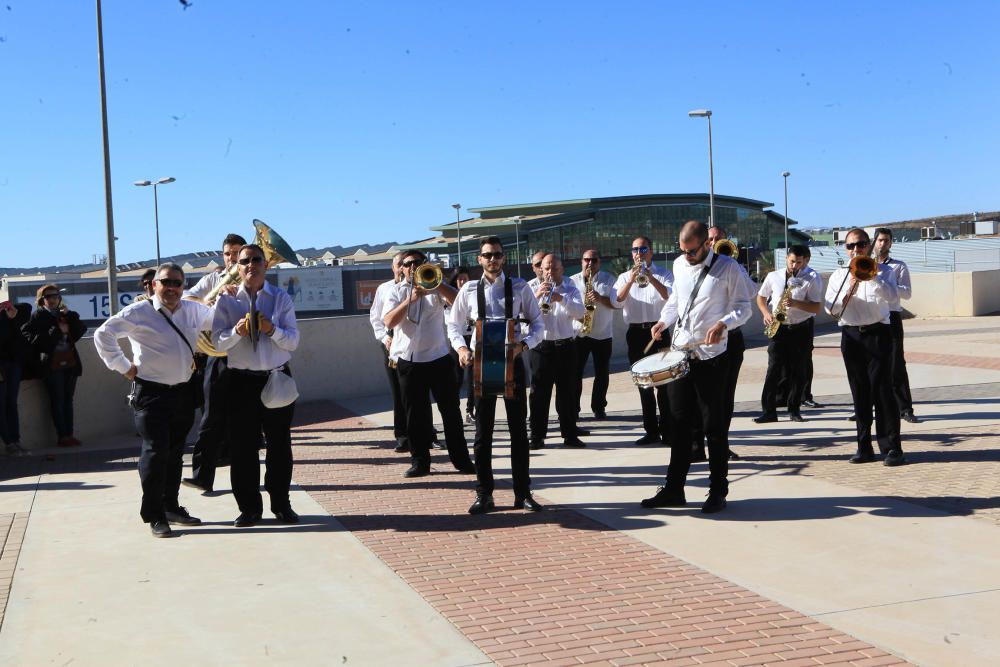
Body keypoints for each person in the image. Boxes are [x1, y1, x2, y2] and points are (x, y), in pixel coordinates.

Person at [93, 263, 214, 537]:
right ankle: (154, 514)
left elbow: (218, 320)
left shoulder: (193, 309)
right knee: (156, 452)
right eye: (166, 282)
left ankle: (171, 506)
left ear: (184, 286)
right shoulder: (139, 312)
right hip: (151, 393)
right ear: (154, 284)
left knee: (174, 454)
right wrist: (123, 366)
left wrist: (230, 295)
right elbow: (103, 334)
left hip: (183, 391)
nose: (172, 288)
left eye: (177, 283)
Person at [641, 221, 751, 514]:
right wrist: (663, 321)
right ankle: (674, 489)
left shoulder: (729, 268)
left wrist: (723, 323)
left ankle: (718, 491)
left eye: (692, 251)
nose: (687, 255)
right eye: (683, 250)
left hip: (712, 356)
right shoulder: (679, 264)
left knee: (714, 427)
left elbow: (744, 307)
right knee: (678, 427)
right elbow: (677, 300)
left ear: (706, 244)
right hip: (681, 354)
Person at [448, 236, 544, 515]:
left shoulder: (520, 287)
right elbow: (453, 325)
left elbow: (538, 323)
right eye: (488, 255)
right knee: (483, 434)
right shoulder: (468, 290)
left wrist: (524, 345)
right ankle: (484, 494)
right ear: (479, 259)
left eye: (498, 255)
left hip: (513, 364)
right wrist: (462, 349)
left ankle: (522, 493)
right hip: (481, 365)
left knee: (518, 432)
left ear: (504, 258)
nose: (493, 259)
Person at [213, 244, 301, 526]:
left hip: (276, 377)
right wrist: (237, 332)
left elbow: (293, 341)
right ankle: (249, 508)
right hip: (241, 381)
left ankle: (281, 504)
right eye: (245, 261)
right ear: (236, 267)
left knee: (280, 446)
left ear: (266, 265)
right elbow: (216, 343)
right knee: (242, 449)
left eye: (256, 260)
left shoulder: (280, 297)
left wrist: (271, 330)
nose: (251, 265)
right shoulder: (226, 300)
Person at [383, 251, 476, 478]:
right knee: (415, 416)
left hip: (439, 359)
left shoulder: (435, 285)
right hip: (410, 361)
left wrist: (438, 285)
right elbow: (388, 321)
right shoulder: (395, 291)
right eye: (408, 264)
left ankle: (461, 460)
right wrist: (410, 299)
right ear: (402, 268)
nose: (413, 267)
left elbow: (459, 302)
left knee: (451, 413)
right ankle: (420, 462)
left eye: (418, 263)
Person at [824, 228, 904, 467]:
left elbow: (894, 299)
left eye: (859, 245)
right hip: (851, 335)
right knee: (859, 392)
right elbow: (831, 310)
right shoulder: (839, 276)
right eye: (850, 246)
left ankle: (892, 448)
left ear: (868, 245)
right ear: (844, 248)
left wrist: (874, 277)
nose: (855, 250)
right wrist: (848, 290)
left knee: (882, 390)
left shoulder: (885, 271)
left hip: (878, 333)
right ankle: (864, 446)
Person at [181, 232, 246, 493]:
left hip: (244, 356)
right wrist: (211, 301)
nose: (231, 259)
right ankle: (202, 476)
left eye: (236, 254)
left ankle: (242, 483)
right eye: (228, 254)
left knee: (242, 420)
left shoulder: (253, 281)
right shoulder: (212, 279)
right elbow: (186, 299)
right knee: (210, 418)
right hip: (217, 355)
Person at [612, 236, 673, 445]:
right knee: (643, 384)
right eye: (635, 249)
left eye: (643, 248)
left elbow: (670, 297)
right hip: (636, 334)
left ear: (651, 251)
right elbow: (617, 301)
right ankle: (651, 430)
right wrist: (631, 280)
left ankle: (668, 429)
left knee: (664, 383)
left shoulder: (664, 274)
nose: (639, 253)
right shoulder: (623, 277)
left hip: (660, 330)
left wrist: (651, 277)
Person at [754, 245, 823, 423]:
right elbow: (761, 297)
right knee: (773, 370)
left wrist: (796, 303)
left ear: (805, 261)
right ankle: (769, 411)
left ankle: (794, 410)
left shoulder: (812, 277)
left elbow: (816, 307)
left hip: (801, 328)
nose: (794, 266)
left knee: (799, 370)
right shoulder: (774, 276)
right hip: (779, 327)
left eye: (798, 262)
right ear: (786, 259)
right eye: (792, 261)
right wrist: (766, 314)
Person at [530, 254, 586, 448]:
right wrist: (538, 297)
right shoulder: (531, 289)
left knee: (567, 393)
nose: (550, 273)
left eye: (554, 269)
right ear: (541, 270)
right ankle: (537, 436)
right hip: (541, 347)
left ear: (561, 270)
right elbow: (523, 315)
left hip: (566, 346)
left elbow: (581, 313)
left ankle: (570, 435)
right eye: (546, 269)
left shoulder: (571, 290)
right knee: (539, 394)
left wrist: (560, 299)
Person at [23, 284, 86, 447]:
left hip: (70, 363)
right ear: (41, 300)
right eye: (48, 297)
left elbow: (79, 331)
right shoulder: (38, 316)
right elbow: (31, 339)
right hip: (51, 365)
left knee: (68, 400)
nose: (53, 299)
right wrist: (56, 331)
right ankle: (62, 436)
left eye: (56, 296)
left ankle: (69, 434)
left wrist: (71, 317)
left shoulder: (64, 315)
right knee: (57, 400)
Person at [874, 227, 919, 423]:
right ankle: (867, 407)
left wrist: (886, 285)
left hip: (891, 316)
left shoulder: (898, 266)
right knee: (871, 365)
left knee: (896, 364)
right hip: (871, 316)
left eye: (886, 240)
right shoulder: (865, 264)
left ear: (891, 243)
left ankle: (905, 409)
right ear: (874, 242)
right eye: (880, 240)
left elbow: (907, 293)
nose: (883, 244)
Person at [370, 251, 411, 453]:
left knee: (418, 393)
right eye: (398, 264)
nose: (402, 267)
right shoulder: (384, 289)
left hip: (413, 346)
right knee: (398, 392)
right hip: (391, 345)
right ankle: (402, 436)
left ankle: (427, 434)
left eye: (405, 264)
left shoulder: (419, 285)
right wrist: (385, 339)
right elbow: (376, 318)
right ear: (393, 267)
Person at [571, 249, 616, 421]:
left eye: (594, 260)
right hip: (578, 333)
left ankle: (599, 407)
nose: (590, 263)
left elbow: (616, 304)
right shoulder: (572, 281)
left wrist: (600, 298)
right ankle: (574, 409)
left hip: (602, 333)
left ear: (600, 262)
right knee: (575, 373)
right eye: (586, 260)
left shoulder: (609, 279)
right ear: (581, 261)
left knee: (602, 373)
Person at [0, 300, 32, 455]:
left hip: (13, 363)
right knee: (2, 404)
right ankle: (8, 442)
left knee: (11, 402)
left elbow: (27, 308)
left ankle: (15, 440)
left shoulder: (7, 313)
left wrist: (12, 316)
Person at [445, 266, 476, 423]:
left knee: (474, 378)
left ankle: (471, 410)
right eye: (459, 279)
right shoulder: (448, 299)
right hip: (458, 342)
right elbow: (450, 322)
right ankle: (454, 408)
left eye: (465, 278)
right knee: (456, 379)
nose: (462, 281)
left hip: (474, 338)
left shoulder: (474, 294)